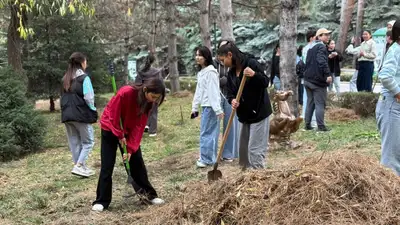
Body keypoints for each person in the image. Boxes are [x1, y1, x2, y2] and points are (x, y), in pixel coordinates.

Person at [92, 77, 166, 212]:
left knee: (137, 162)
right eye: (153, 96)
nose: (154, 100)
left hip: (128, 130)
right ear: (145, 89)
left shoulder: (149, 103)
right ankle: (102, 200)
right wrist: (120, 135)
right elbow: (114, 116)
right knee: (107, 165)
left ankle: (148, 195)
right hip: (110, 127)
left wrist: (130, 149)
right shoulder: (125, 92)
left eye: (157, 98)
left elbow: (139, 126)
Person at [217, 42, 272, 169]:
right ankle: (247, 178)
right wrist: (232, 100)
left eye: (222, 60)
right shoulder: (231, 73)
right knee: (243, 150)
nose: (222, 63)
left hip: (258, 112)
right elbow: (230, 92)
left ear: (229, 55)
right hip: (243, 115)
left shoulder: (251, 63)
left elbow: (265, 82)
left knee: (255, 149)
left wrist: (254, 75)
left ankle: (258, 176)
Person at [61, 52, 97, 178]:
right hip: (81, 115)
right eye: (85, 61)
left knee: (74, 142)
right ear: (82, 62)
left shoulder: (65, 78)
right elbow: (89, 97)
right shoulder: (84, 78)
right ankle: (79, 165)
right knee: (88, 142)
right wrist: (92, 110)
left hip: (67, 116)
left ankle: (81, 167)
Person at [192, 46, 224, 168]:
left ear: (206, 57)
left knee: (207, 133)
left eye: (200, 55)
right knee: (208, 133)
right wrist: (194, 107)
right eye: (196, 55)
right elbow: (199, 91)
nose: (197, 57)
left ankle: (206, 159)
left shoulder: (210, 72)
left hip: (211, 107)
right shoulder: (202, 72)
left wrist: (217, 109)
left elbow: (213, 92)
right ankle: (209, 157)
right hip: (206, 106)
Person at [376, 20, 400, 176]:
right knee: (391, 159)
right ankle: (389, 196)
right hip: (391, 106)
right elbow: (385, 76)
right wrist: (398, 93)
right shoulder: (396, 50)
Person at [214, 40, 239, 162]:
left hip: (230, 97)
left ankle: (228, 153)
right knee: (214, 125)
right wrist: (222, 81)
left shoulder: (234, 63)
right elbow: (211, 80)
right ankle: (212, 154)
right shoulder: (213, 63)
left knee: (230, 125)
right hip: (217, 97)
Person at [303, 28, 332, 132]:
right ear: (319, 37)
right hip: (317, 81)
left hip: (307, 79)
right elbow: (322, 61)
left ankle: (307, 125)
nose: (328, 37)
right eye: (325, 35)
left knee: (310, 103)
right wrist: (328, 75)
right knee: (320, 103)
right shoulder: (321, 47)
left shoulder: (311, 47)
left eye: (329, 35)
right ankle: (321, 126)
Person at [135, 54, 163, 137]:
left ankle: (145, 125)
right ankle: (153, 131)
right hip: (155, 94)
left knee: (144, 110)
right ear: (153, 61)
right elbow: (161, 83)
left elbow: (137, 83)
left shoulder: (141, 72)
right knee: (153, 111)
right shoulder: (157, 72)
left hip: (144, 94)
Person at [302, 30, 317, 127]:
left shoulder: (304, 48)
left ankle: (306, 116)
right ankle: (312, 119)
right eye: (315, 37)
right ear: (311, 38)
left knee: (306, 98)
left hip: (305, 75)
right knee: (312, 99)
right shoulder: (311, 48)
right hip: (312, 76)